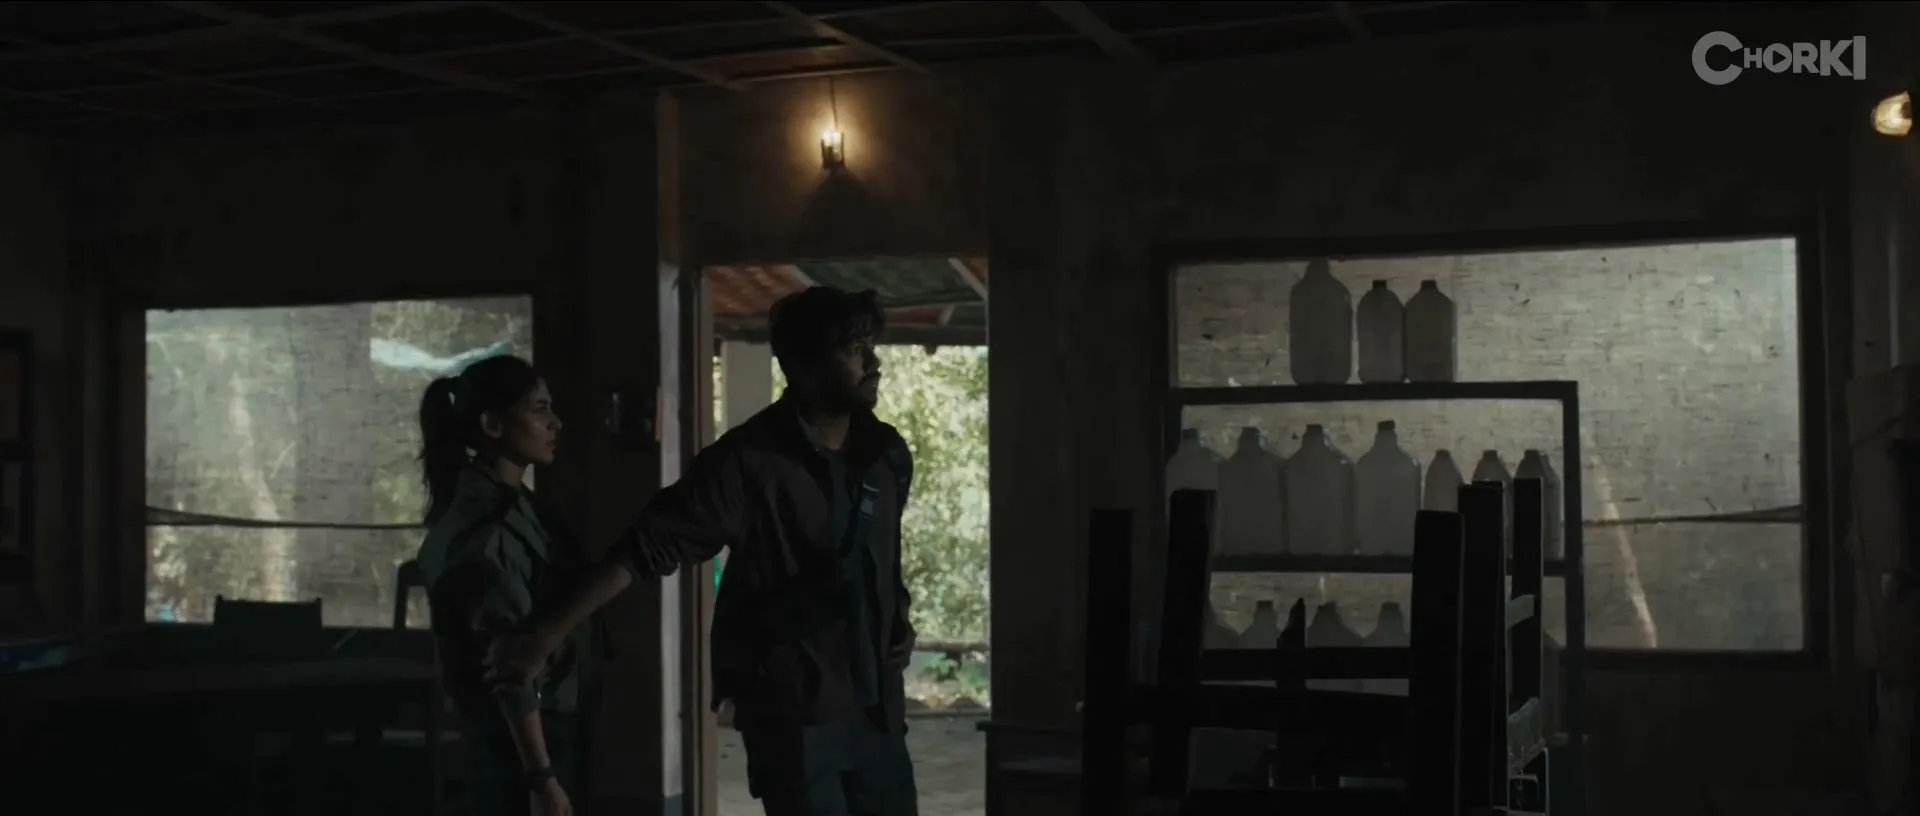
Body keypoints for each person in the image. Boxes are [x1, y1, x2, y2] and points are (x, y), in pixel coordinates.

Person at [485, 286, 921, 816]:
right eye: (854, 350)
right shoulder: (746, 463)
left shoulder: (887, 455)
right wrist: (546, 634)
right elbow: (646, 546)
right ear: (806, 368)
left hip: (878, 714)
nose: (873, 363)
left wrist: (898, 616)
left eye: (871, 347)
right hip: (796, 718)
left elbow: (881, 561)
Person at [415, 354, 596, 816]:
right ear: (493, 425)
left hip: (541, 728)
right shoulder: (486, 531)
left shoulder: (518, 507)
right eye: (539, 408)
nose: (555, 423)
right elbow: (509, 668)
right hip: (517, 743)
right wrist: (542, 778)